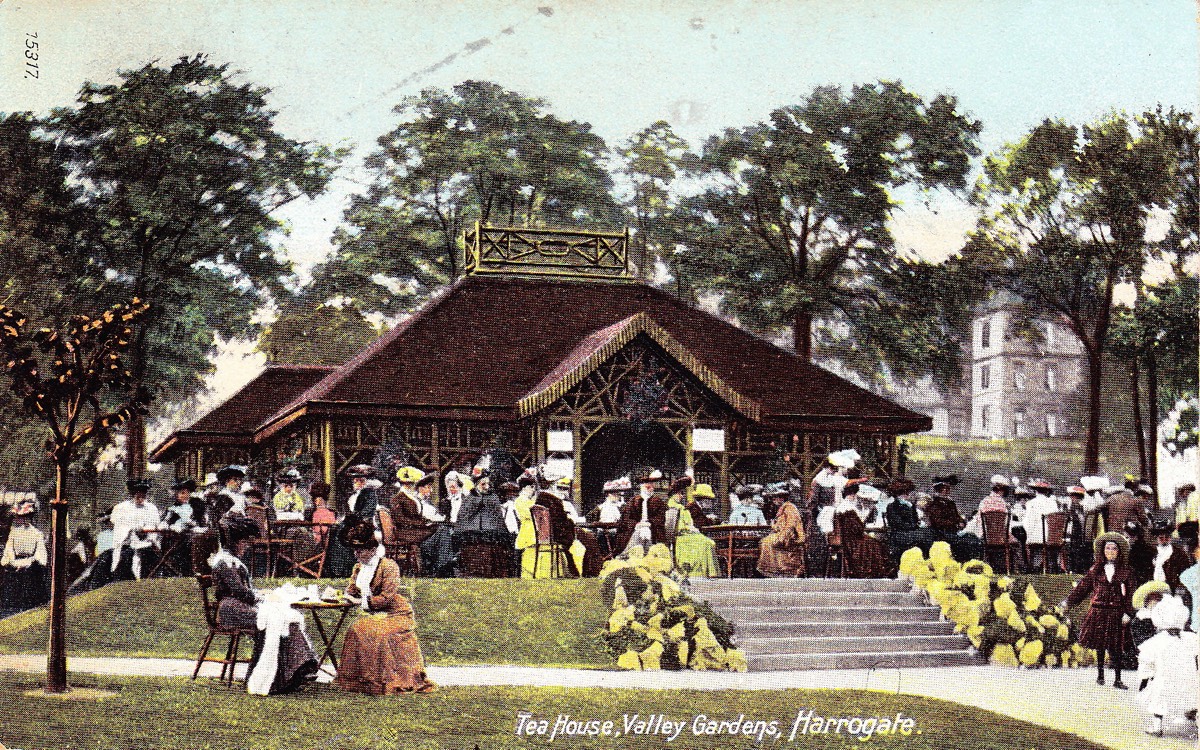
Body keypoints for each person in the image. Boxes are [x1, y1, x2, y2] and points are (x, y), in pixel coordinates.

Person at [208, 514, 317, 695]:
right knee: (272, 618)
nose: (246, 546)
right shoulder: (224, 562)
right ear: (234, 542)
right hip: (230, 608)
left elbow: (245, 591)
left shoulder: (233, 562)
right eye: (244, 542)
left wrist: (261, 595)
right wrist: (261, 598)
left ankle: (298, 666)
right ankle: (279, 675)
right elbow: (240, 591)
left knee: (284, 616)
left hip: (240, 605)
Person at [334, 519, 436, 695]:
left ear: (372, 550)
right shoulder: (358, 568)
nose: (357, 555)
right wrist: (340, 596)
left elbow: (386, 598)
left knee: (375, 632)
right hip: (376, 615)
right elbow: (351, 591)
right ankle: (360, 681)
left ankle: (382, 681)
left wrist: (360, 602)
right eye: (355, 551)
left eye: (360, 551)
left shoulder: (388, 566)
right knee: (356, 629)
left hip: (396, 613)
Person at [1064, 532, 1135, 688]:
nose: (1110, 552)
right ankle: (1100, 675)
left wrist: (1128, 612)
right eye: (1107, 549)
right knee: (1100, 644)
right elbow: (1083, 587)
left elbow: (1130, 594)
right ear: (1103, 551)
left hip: (1116, 611)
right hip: (1099, 610)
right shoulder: (1096, 569)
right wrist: (1069, 601)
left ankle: (1117, 678)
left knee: (1116, 646)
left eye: (1114, 549)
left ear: (1119, 552)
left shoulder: (1126, 571)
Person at [1135, 595, 1199, 737]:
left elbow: (1146, 660)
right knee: (1191, 696)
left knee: (1160, 699)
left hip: (1165, 679)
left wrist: (1146, 676)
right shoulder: (1189, 638)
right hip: (1186, 678)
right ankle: (1194, 719)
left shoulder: (1158, 641)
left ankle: (1157, 727)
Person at [327, 465, 383, 578]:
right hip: (358, 524)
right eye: (355, 480)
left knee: (340, 534)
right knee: (335, 532)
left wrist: (348, 521)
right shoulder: (356, 495)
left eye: (360, 480)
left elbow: (365, 514)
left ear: (366, 481)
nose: (357, 482)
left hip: (366, 526)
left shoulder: (369, 493)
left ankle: (343, 570)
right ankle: (336, 570)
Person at [831, 480, 894, 578]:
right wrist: (864, 517)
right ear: (853, 495)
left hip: (847, 538)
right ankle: (873, 571)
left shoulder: (841, 507)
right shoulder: (849, 508)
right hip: (853, 541)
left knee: (873, 541)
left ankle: (877, 570)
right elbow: (857, 529)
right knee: (875, 543)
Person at [452, 474, 510, 577]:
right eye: (483, 484)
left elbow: (498, 518)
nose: (487, 487)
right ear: (476, 485)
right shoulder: (469, 498)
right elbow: (463, 517)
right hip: (472, 537)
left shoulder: (493, 497)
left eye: (488, 484)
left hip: (491, 535)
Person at [0, 498, 48, 610]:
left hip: (30, 567)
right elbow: (9, 550)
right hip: (14, 566)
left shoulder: (37, 534)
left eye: (27, 517)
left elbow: (40, 555)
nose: (24, 520)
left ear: (31, 517)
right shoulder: (14, 532)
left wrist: (26, 563)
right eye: (21, 517)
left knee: (31, 585)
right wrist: (13, 563)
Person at [110, 479, 162, 580]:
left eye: (143, 494)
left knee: (149, 556)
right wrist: (131, 530)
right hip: (129, 542)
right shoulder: (123, 508)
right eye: (137, 493)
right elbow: (119, 526)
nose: (140, 497)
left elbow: (155, 526)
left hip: (147, 542)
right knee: (126, 556)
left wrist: (147, 532)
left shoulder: (151, 508)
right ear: (133, 494)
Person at [667, 476, 718, 577]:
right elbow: (678, 526)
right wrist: (691, 529)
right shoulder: (676, 507)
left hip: (686, 534)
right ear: (675, 493)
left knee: (708, 541)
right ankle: (703, 572)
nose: (682, 496)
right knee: (706, 542)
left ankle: (708, 572)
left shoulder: (681, 507)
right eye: (680, 493)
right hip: (681, 536)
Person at [757, 483, 806, 577]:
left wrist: (781, 537)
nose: (773, 500)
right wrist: (774, 526)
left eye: (775, 497)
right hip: (784, 534)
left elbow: (790, 525)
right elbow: (780, 526)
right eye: (772, 498)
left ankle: (781, 569)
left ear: (782, 497)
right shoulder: (782, 509)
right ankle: (773, 570)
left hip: (792, 536)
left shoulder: (790, 508)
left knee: (767, 541)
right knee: (764, 541)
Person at [615, 469, 669, 552]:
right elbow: (626, 519)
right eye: (645, 484)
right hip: (635, 530)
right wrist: (636, 524)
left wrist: (649, 524)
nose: (648, 486)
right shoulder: (633, 501)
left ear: (653, 486)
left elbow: (661, 519)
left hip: (654, 531)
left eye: (651, 484)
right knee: (634, 541)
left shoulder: (658, 502)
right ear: (641, 486)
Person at [884, 477, 934, 566]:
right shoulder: (892, 506)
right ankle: (926, 558)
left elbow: (915, 519)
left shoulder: (910, 505)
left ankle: (927, 558)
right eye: (906, 492)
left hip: (910, 532)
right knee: (924, 534)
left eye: (908, 492)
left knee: (929, 532)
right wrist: (915, 525)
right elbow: (898, 523)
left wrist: (918, 524)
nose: (908, 495)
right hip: (899, 534)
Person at [1024, 479, 1062, 572]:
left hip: (1039, 537)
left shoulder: (1031, 503)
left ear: (1035, 490)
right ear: (1047, 491)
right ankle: (1043, 565)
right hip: (1053, 537)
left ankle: (1033, 566)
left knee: (1026, 536)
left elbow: (1028, 523)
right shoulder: (1053, 503)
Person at [1148, 520, 1191, 593]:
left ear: (1170, 537)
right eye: (1161, 538)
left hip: (1174, 592)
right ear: (1157, 538)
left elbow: (1186, 575)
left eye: (1167, 537)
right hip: (1154, 591)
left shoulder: (1179, 554)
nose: (1164, 540)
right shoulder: (1152, 553)